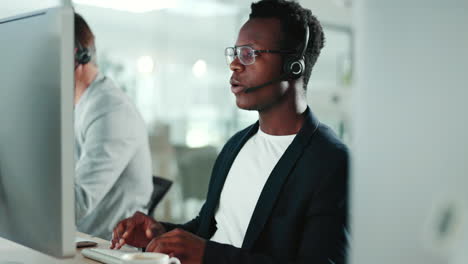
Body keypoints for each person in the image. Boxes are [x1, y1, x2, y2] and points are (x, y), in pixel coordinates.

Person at [111, 1, 349, 263]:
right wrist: (160, 234)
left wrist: (207, 255)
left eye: (249, 53)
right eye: (235, 53)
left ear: (293, 65)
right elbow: (209, 226)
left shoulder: (331, 162)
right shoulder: (237, 144)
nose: (235, 64)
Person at [74, 13, 153, 240]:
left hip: (103, 249)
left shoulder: (110, 109)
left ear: (75, 55)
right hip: (77, 242)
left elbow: (76, 204)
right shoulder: (78, 105)